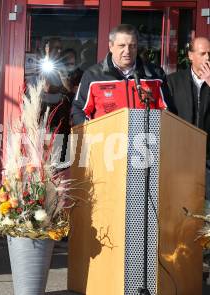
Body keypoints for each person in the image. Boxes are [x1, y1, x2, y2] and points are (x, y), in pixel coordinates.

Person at [166, 37, 210, 279]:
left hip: (208, 160)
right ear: (190, 55)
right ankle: (181, 261)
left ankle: (204, 261)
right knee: (182, 213)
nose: (207, 58)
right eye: (202, 53)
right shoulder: (173, 82)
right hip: (181, 159)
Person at [71, 24, 170, 125]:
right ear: (111, 46)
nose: (127, 51)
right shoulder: (93, 75)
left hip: (145, 138)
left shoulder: (155, 74)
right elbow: (79, 110)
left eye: (132, 46)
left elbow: (168, 112)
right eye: (122, 46)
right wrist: (92, 134)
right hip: (107, 138)